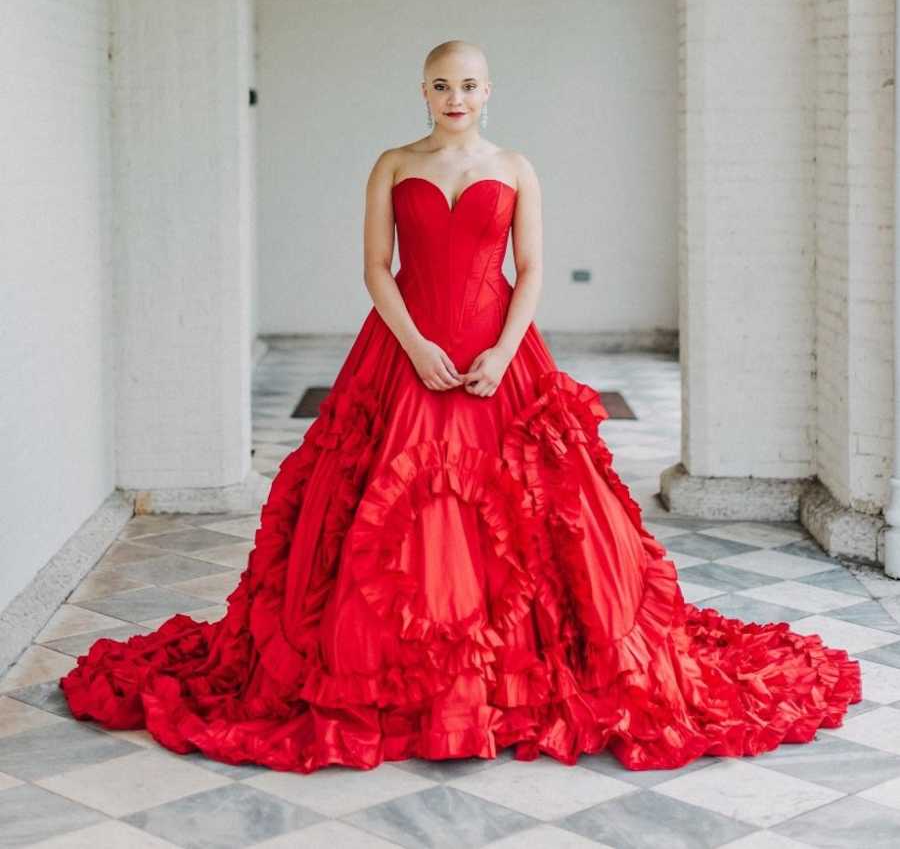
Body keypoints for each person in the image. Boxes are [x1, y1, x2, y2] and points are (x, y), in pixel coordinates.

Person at [59, 38, 862, 773]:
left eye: (468, 85)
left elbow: (534, 268)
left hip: (496, 352)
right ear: (423, 90)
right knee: (380, 509)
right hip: (407, 347)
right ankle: (400, 674)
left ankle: (504, 677)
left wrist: (504, 351)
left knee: (530, 513)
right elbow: (377, 267)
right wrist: (414, 345)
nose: (455, 96)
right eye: (442, 84)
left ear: (488, 91)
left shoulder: (515, 166)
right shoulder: (392, 163)